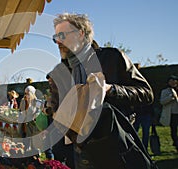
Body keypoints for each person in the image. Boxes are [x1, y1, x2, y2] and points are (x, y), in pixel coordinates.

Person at [47, 13, 154, 169]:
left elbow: (146, 93)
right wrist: (52, 108)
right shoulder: (59, 72)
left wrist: (110, 89)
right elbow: (56, 108)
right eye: (55, 37)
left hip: (114, 144)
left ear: (80, 34)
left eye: (62, 35)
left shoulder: (112, 57)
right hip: (79, 151)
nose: (58, 41)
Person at [159, 75, 178, 151]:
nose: (173, 82)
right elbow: (162, 101)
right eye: (171, 81)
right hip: (172, 114)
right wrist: (170, 97)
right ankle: (176, 144)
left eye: (174, 81)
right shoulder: (165, 91)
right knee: (173, 130)